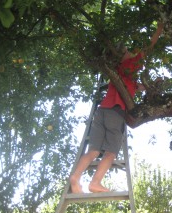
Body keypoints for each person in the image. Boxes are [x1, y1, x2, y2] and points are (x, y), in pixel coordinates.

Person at [70, 21, 164, 193]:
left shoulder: (120, 73)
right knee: (111, 152)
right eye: (128, 52)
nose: (131, 52)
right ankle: (95, 183)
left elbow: (138, 87)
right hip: (115, 112)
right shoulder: (130, 65)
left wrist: (151, 86)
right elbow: (148, 48)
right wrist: (159, 30)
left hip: (101, 112)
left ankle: (75, 177)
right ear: (124, 57)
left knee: (93, 151)